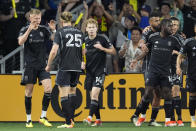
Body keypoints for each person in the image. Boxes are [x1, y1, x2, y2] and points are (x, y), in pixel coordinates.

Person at [45, 11, 85, 128]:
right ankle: (72, 120)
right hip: (77, 67)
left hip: (65, 66)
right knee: (72, 92)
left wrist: (48, 65)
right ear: (71, 20)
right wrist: (82, 61)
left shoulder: (60, 32)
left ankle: (68, 122)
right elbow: (83, 50)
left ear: (61, 21)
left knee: (63, 94)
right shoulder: (79, 32)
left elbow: (53, 51)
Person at [18, 9, 55, 128]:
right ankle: (28, 119)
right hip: (30, 65)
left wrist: (53, 29)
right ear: (30, 18)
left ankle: (43, 117)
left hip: (42, 65)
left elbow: (54, 39)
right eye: (35, 18)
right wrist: (29, 29)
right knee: (29, 92)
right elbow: (20, 42)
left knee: (48, 89)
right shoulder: (24, 29)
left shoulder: (44, 29)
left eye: (38, 18)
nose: (37, 20)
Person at [130, 11, 162, 127]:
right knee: (149, 92)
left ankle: (150, 119)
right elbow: (141, 43)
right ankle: (137, 115)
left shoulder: (162, 32)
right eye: (156, 20)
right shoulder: (147, 32)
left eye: (159, 20)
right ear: (150, 22)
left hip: (160, 68)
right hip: (149, 67)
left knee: (157, 94)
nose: (158, 22)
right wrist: (141, 46)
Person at [83, 18, 116, 126]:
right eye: (89, 27)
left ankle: (89, 118)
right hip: (89, 72)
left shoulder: (102, 39)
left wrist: (102, 48)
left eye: (93, 27)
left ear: (96, 28)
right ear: (86, 29)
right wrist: (81, 62)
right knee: (93, 97)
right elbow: (80, 56)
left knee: (94, 94)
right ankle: (98, 120)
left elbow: (113, 51)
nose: (91, 29)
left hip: (100, 71)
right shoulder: (84, 41)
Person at [176, 23, 196, 128]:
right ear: (195, 28)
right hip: (192, 76)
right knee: (192, 98)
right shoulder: (189, 42)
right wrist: (178, 67)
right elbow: (180, 56)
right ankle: (193, 120)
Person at [170, 17, 185, 126]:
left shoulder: (180, 39)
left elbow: (185, 56)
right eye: (172, 24)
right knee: (168, 93)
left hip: (176, 68)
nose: (173, 27)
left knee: (176, 91)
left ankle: (179, 118)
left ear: (178, 26)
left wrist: (176, 52)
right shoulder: (163, 37)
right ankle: (171, 118)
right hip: (164, 69)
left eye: (176, 25)